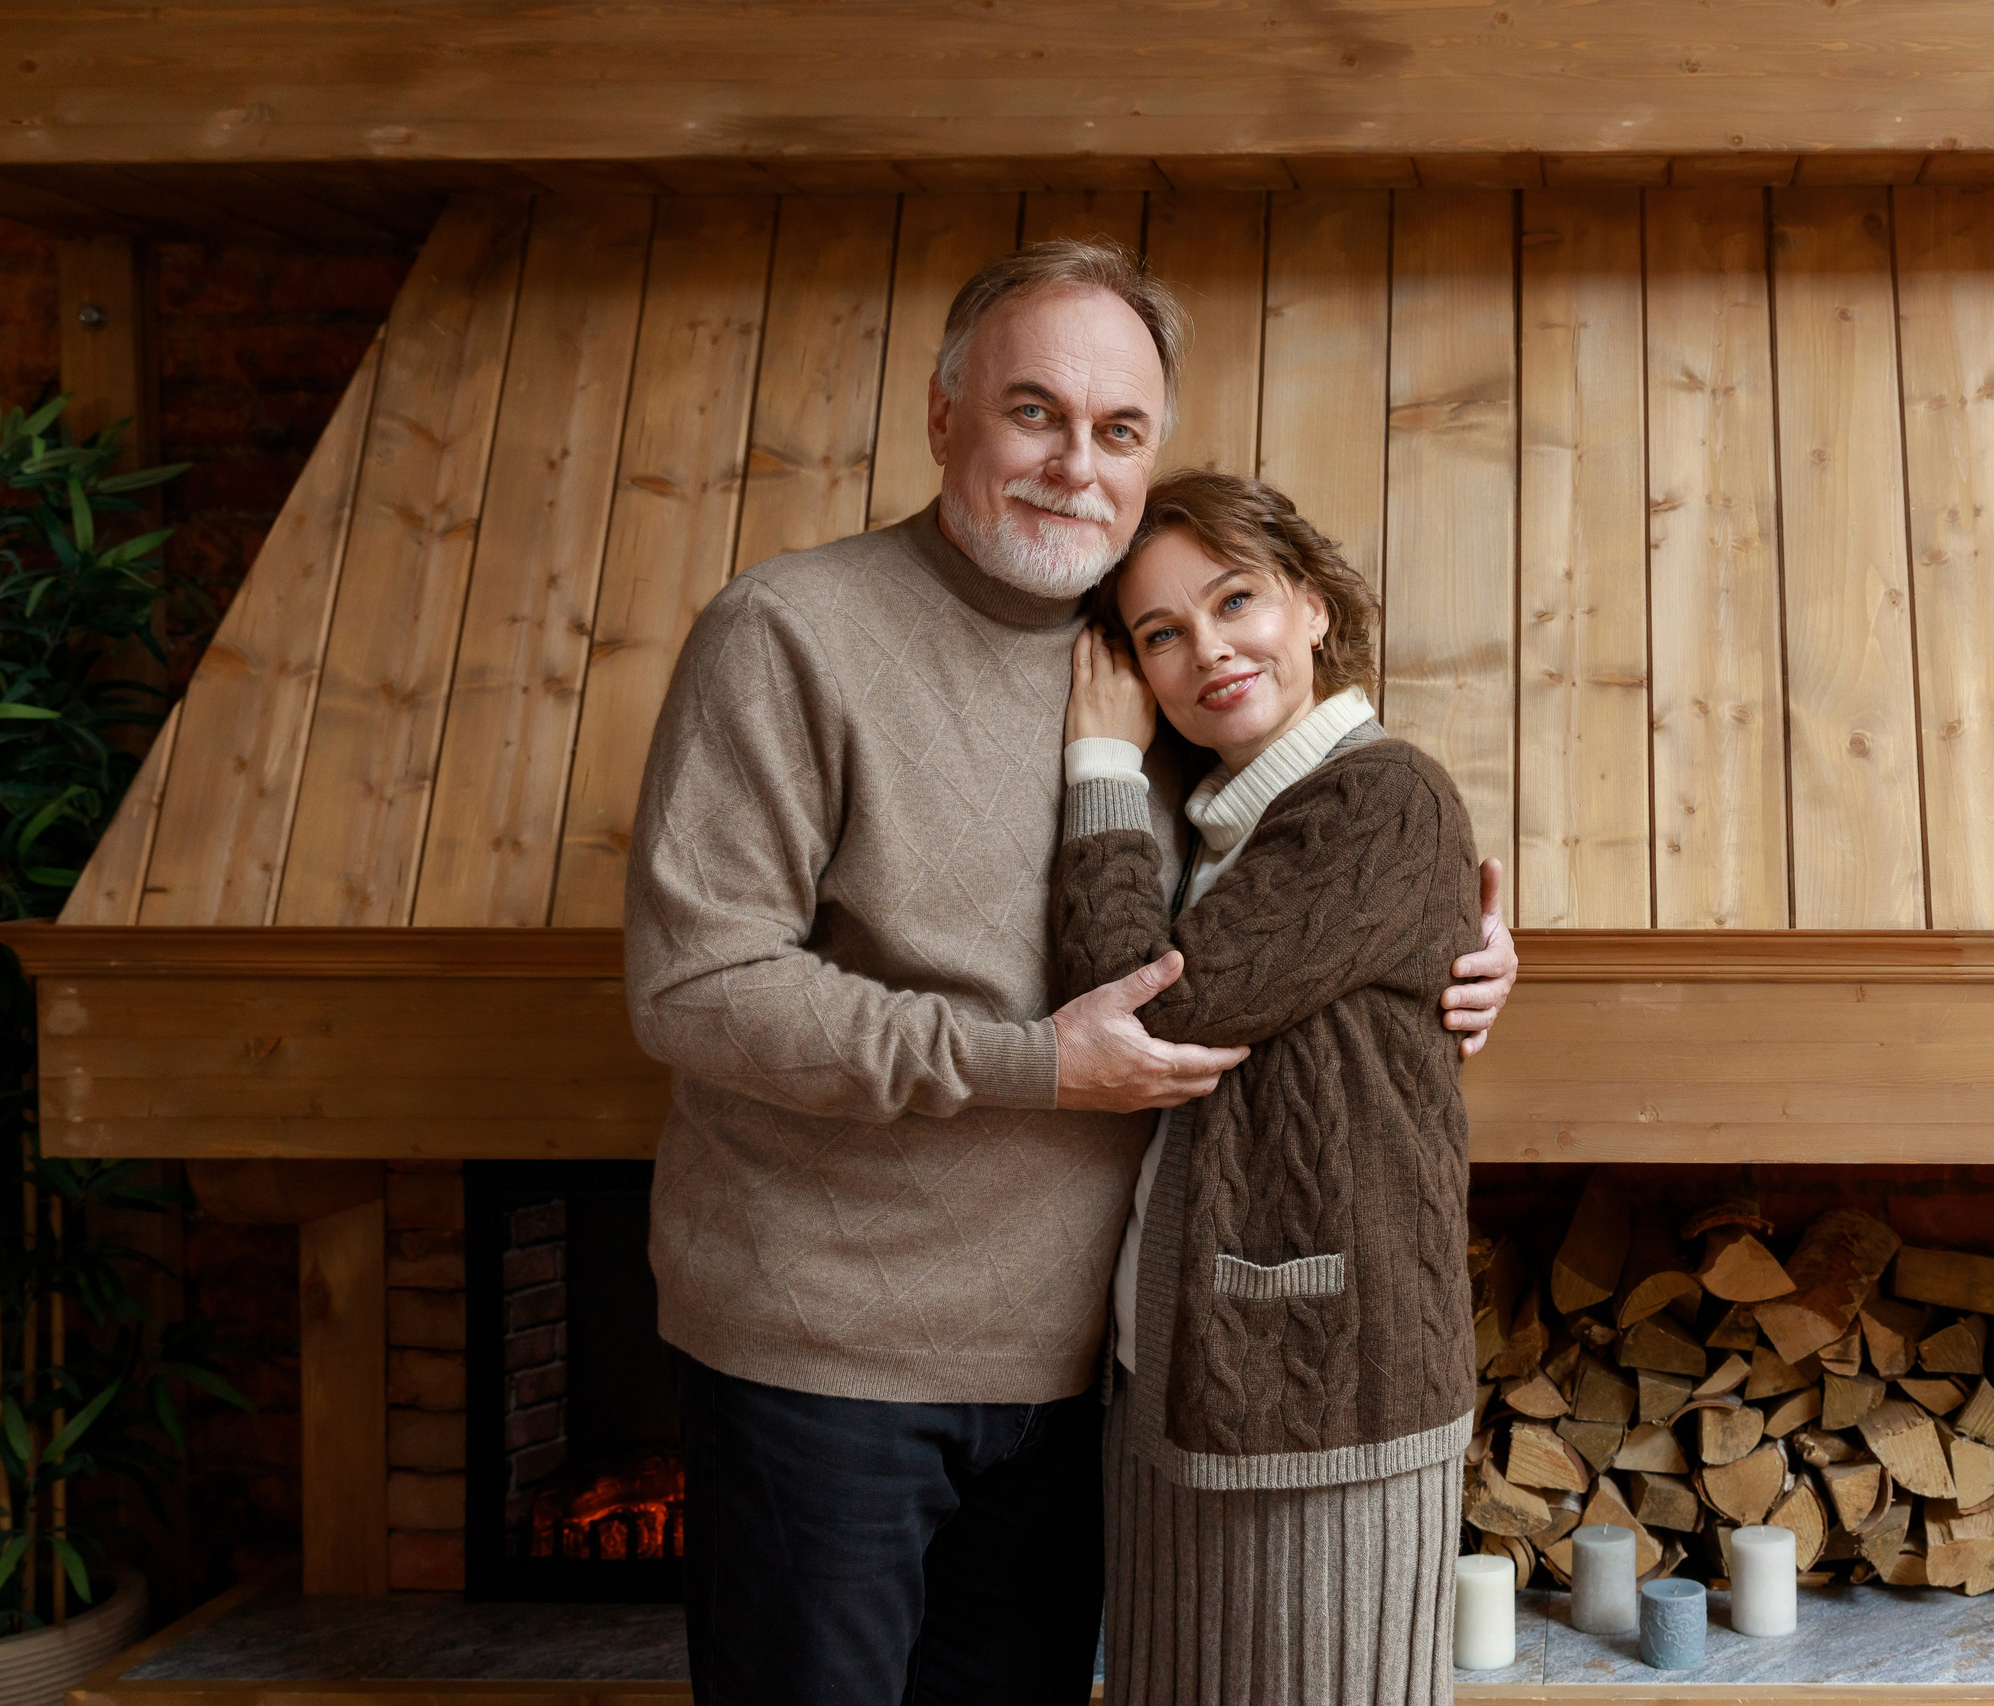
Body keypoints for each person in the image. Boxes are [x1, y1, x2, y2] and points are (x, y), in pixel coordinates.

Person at [620, 239, 1517, 1705]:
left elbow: (1303, 865)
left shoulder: (1157, 662)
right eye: (1033, 412)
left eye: (1118, 431)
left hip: (1087, 1379)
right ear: (944, 416)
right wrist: (1029, 1060)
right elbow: (697, 985)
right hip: (824, 1361)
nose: (1072, 466)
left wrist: (1459, 946)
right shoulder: (790, 632)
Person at [1056, 472, 1480, 1706]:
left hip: (1320, 1399)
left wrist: (1096, 757)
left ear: (1307, 602)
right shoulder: (1217, 823)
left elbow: (1127, 1007)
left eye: (1234, 599)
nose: (1208, 651)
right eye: (1160, 635)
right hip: (1179, 1387)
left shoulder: (1378, 795)